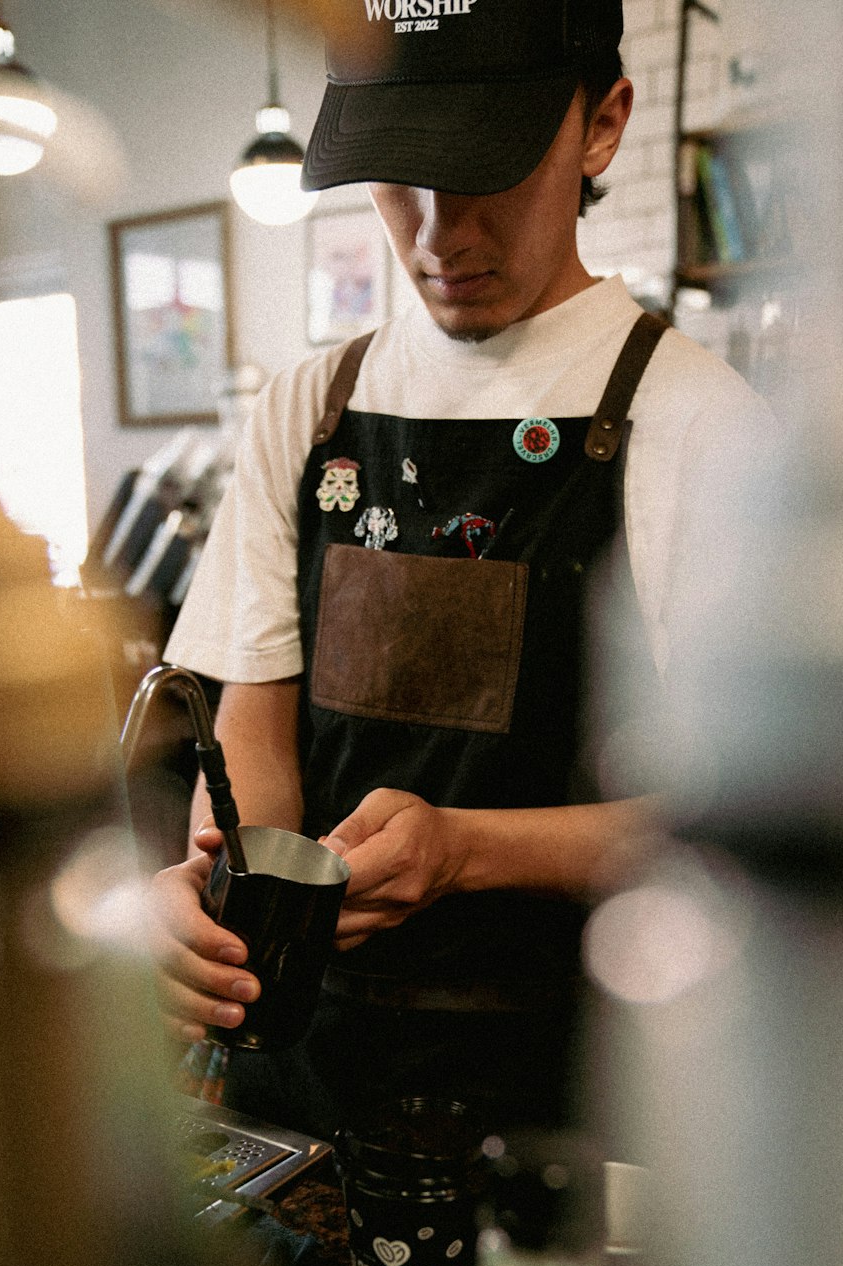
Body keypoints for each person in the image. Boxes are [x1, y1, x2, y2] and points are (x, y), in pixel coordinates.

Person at [150, 0, 770, 1142]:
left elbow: (733, 823)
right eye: (401, 177)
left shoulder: (696, 427)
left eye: (483, 171)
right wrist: (208, 902)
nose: (438, 233)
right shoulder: (314, 407)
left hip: (561, 1086)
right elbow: (255, 748)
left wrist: (469, 851)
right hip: (312, 1076)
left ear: (601, 126)